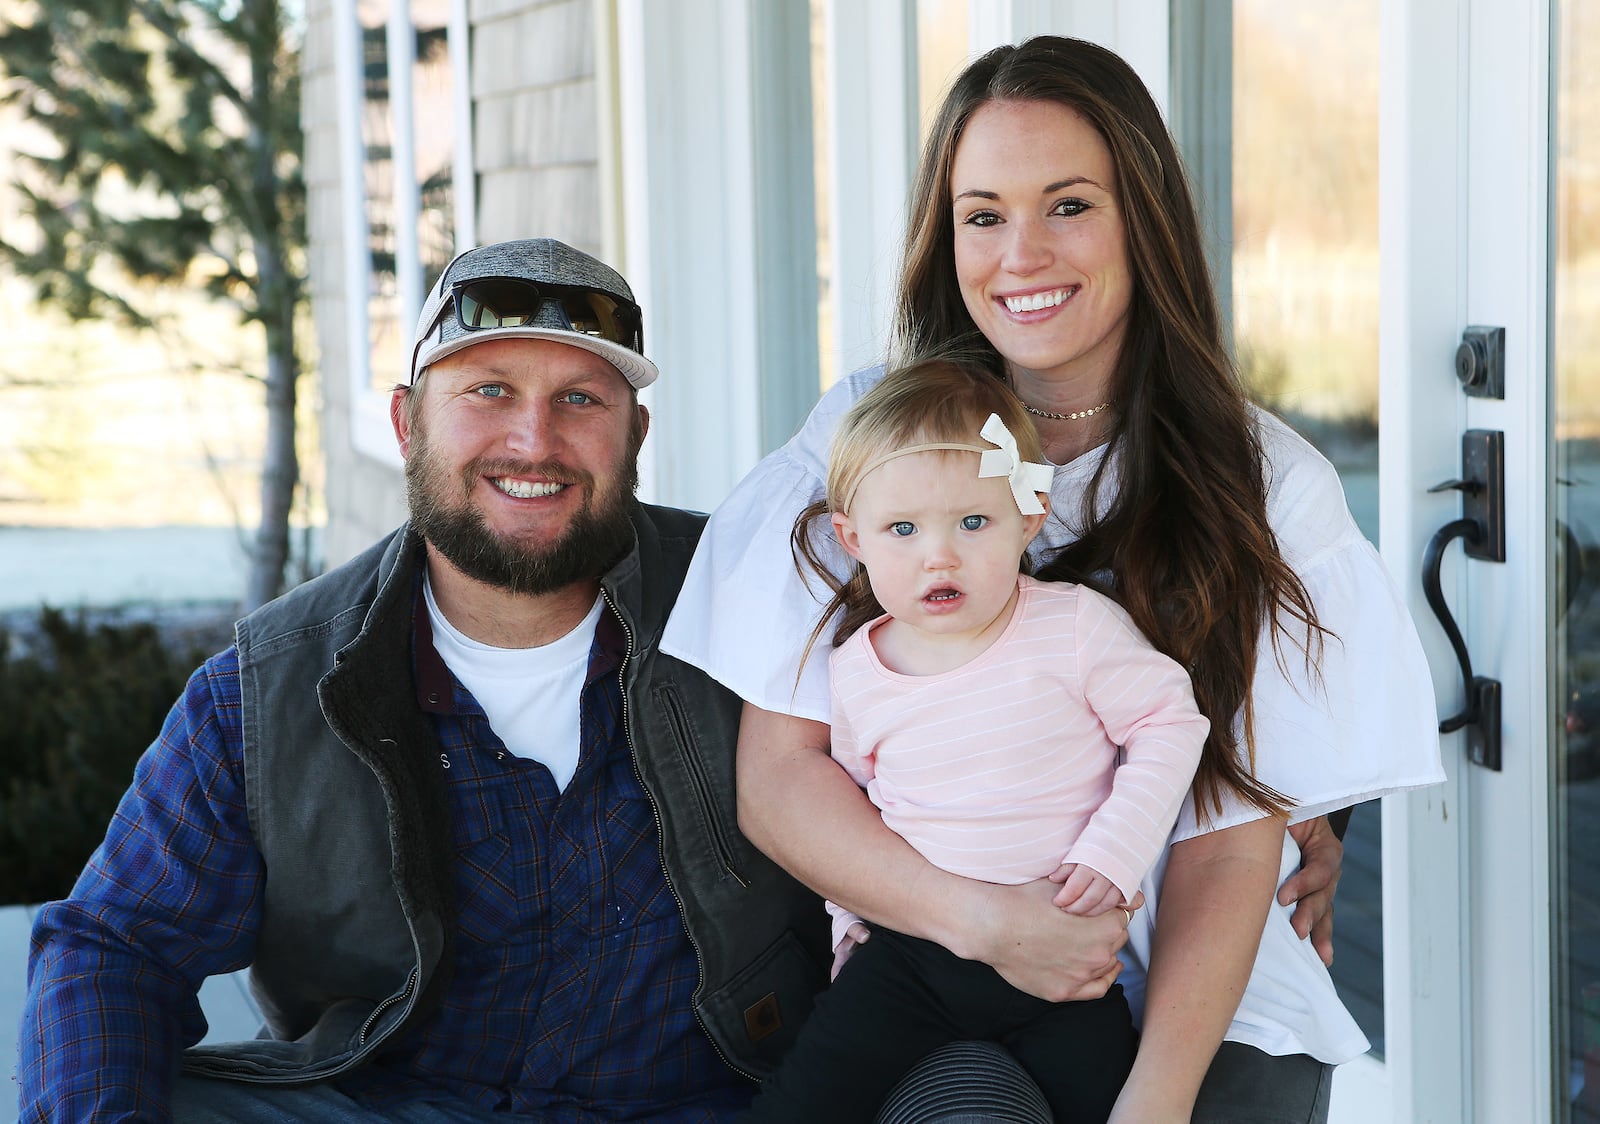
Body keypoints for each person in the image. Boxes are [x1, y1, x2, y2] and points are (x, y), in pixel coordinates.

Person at [661, 35, 1445, 1123]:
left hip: (1202, 1005)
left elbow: (1231, 826)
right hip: (934, 976)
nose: (1019, 252)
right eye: (982, 213)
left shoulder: (1258, 479)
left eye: (1067, 204)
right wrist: (984, 921)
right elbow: (780, 775)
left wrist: (1155, 1103)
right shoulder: (868, 436)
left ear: (1144, 218)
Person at [17, 237, 831, 1122]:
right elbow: (115, 945)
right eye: (488, 391)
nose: (534, 439)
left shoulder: (762, 599)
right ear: (409, 423)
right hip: (386, 1106)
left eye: (580, 399)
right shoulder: (267, 691)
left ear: (634, 432)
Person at [742, 358, 1208, 1123]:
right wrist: (850, 922)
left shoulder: (1075, 628)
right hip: (911, 958)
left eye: (973, 522)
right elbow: (856, 806)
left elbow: (1169, 723)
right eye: (903, 529)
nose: (940, 554)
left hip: (1062, 963)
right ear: (851, 538)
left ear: (1029, 517)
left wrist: (1114, 853)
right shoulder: (856, 670)